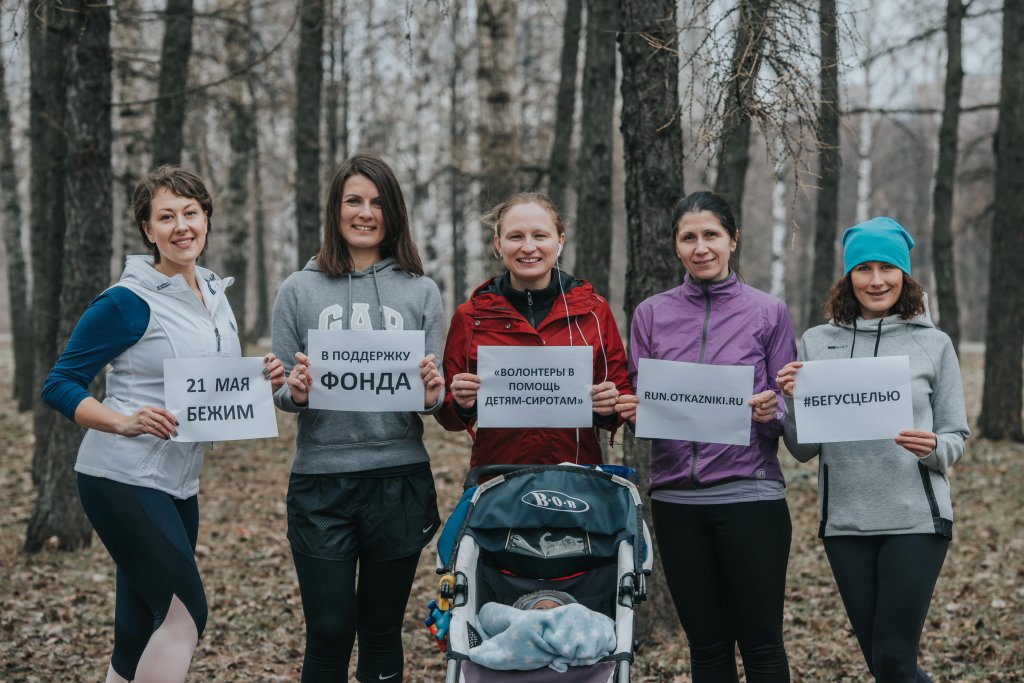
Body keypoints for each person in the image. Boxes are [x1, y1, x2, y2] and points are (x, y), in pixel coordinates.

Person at [41, 165, 285, 683]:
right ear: (148, 230)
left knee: (138, 627)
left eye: (190, 213)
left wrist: (262, 380)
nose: (181, 226)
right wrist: (123, 421)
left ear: (207, 219)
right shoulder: (127, 301)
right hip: (120, 478)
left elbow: (209, 386)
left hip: (178, 484)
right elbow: (59, 384)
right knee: (184, 617)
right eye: (166, 216)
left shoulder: (215, 296)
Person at [272, 152, 445, 683]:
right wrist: (295, 391)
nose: (365, 212)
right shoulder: (297, 291)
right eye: (354, 201)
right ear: (336, 210)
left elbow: (429, 398)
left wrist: (434, 393)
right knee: (327, 630)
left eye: (376, 202)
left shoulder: (422, 291)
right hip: (321, 481)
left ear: (392, 213)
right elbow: (279, 389)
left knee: (380, 629)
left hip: (397, 478)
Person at [776, 217, 968, 683]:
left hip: (916, 520)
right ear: (849, 277)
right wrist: (791, 401)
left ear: (905, 275)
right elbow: (803, 450)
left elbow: (955, 435)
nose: (876, 280)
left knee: (895, 659)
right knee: (882, 665)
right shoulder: (818, 344)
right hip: (845, 524)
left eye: (887, 268)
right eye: (864, 268)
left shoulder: (933, 344)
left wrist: (932, 449)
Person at [614, 191, 796, 682]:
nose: (701, 248)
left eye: (711, 235)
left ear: (733, 240)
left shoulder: (768, 312)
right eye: (688, 237)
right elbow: (644, 404)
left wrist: (771, 409)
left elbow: (789, 402)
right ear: (676, 247)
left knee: (761, 646)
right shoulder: (650, 314)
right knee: (707, 648)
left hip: (751, 496)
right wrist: (632, 411)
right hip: (676, 503)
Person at [436, 192, 631, 469]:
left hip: (575, 481)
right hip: (498, 482)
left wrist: (607, 407)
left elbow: (619, 397)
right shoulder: (471, 316)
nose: (528, 247)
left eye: (540, 236)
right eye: (516, 237)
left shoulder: (594, 311)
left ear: (560, 241)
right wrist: (462, 404)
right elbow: (447, 415)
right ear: (498, 244)